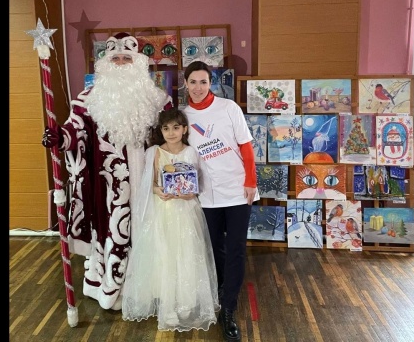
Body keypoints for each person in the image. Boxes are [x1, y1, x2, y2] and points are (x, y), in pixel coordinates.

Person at [41, 33, 172, 310]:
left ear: (138, 62)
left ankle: (151, 289)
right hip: (109, 186)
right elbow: (75, 130)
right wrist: (60, 137)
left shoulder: (158, 99)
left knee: (152, 229)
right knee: (114, 230)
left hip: (150, 182)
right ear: (106, 63)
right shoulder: (88, 100)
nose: (121, 63)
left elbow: (172, 137)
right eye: (116, 59)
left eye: (127, 58)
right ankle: (114, 288)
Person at [120, 108, 220, 331]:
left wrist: (190, 193)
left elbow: (197, 183)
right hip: (163, 211)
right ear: (161, 131)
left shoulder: (191, 152)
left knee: (186, 252)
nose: (171, 133)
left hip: (186, 211)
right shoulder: (154, 152)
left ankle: (184, 301)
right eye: (166, 128)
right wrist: (158, 191)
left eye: (176, 127)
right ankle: (168, 305)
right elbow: (150, 184)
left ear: (184, 129)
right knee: (165, 254)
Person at [181, 61, 259, 342]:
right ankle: (224, 288)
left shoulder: (229, 108)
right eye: (193, 82)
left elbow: (246, 147)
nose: (198, 87)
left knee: (236, 248)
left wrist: (251, 182)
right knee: (215, 248)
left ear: (210, 83)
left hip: (237, 190)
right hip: (206, 194)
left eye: (203, 82)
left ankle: (228, 309)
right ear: (186, 84)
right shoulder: (183, 116)